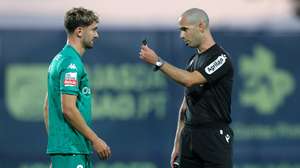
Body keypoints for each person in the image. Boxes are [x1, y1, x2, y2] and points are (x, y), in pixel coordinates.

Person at [139, 8, 234, 168]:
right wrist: (178, 143)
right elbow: (185, 108)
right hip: (189, 137)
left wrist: (158, 62)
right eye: (180, 30)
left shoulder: (220, 58)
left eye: (185, 29)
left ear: (201, 26)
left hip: (214, 136)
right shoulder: (192, 61)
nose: (181, 35)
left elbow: (190, 80)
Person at [43, 7, 111, 168]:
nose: (97, 35)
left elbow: (47, 107)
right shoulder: (71, 64)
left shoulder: (59, 59)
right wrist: (95, 139)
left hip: (67, 151)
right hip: (72, 151)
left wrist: (57, 146)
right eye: (94, 30)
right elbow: (68, 108)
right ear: (80, 31)